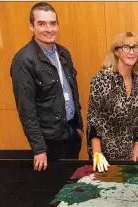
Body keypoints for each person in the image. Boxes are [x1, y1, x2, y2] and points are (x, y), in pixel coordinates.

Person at [10, 2, 83, 171]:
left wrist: (78, 128)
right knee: (54, 189)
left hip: (71, 132)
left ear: (58, 25)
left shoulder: (64, 53)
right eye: (41, 24)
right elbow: (26, 109)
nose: (49, 29)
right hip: (49, 141)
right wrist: (39, 148)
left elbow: (72, 91)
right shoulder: (23, 60)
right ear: (31, 26)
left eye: (53, 23)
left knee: (72, 184)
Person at [86, 32, 138, 172]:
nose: (131, 52)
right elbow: (93, 119)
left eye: (135, 47)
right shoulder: (102, 79)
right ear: (117, 52)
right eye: (126, 47)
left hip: (130, 155)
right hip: (104, 156)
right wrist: (97, 152)